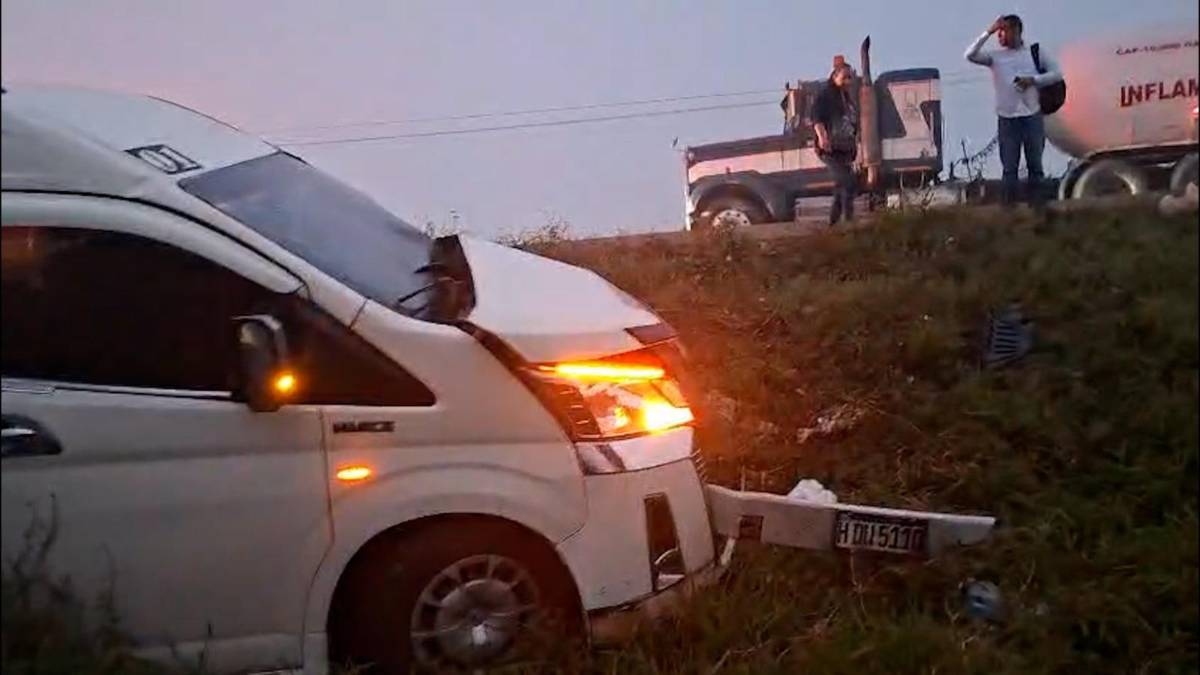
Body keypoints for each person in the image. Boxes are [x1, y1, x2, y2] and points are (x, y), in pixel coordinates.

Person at [965, 14, 1063, 209]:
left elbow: (1056, 74)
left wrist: (1033, 80)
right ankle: (1009, 212)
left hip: (1031, 116)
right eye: (998, 32)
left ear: (1016, 31)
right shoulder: (994, 57)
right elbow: (970, 54)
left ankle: (1038, 211)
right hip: (1007, 119)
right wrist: (988, 31)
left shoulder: (1035, 52)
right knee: (1009, 168)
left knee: (1035, 167)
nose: (999, 35)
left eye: (1003, 30)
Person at [812, 57, 859, 226]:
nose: (848, 81)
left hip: (843, 147)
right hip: (830, 148)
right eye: (845, 77)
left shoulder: (845, 97)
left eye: (850, 77)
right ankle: (848, 219)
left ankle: (833, 223)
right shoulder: (826, 95)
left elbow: (851, 121)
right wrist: (823, 138)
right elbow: (817, 118)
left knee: (841, 185)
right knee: (848, 181)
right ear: (835, 76)